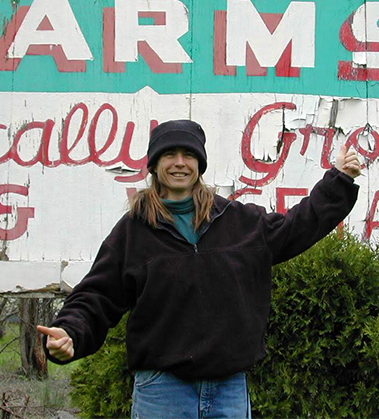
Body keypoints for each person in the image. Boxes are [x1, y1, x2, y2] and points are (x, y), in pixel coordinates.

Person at [37, 119, 361, 418]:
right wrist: (70, 332)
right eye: (169, 155)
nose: (180, 162)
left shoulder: (238, 221)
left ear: (199, 164)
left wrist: (339, 181)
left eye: (188, 155)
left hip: (229, 390)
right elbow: (97, 296)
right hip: (162, 391)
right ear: (154, 165)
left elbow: (298, 225)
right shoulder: (133, 231)